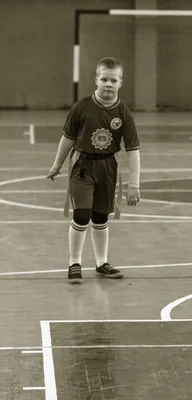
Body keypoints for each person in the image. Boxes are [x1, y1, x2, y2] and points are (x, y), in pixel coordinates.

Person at [47, 57, 141, 284]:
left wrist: (134, 184)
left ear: (121, 83)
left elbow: (133, 151)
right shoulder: (82, 107)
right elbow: (67, 138)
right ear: (95, 81)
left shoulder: (123, 113)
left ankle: (101, 263)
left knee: (100, 217)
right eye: (104, 79)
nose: (108, 84)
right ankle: (74, 263)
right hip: (83, 167)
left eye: (113, 80)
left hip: (108, 168)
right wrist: (56, 164)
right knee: (81, 215)